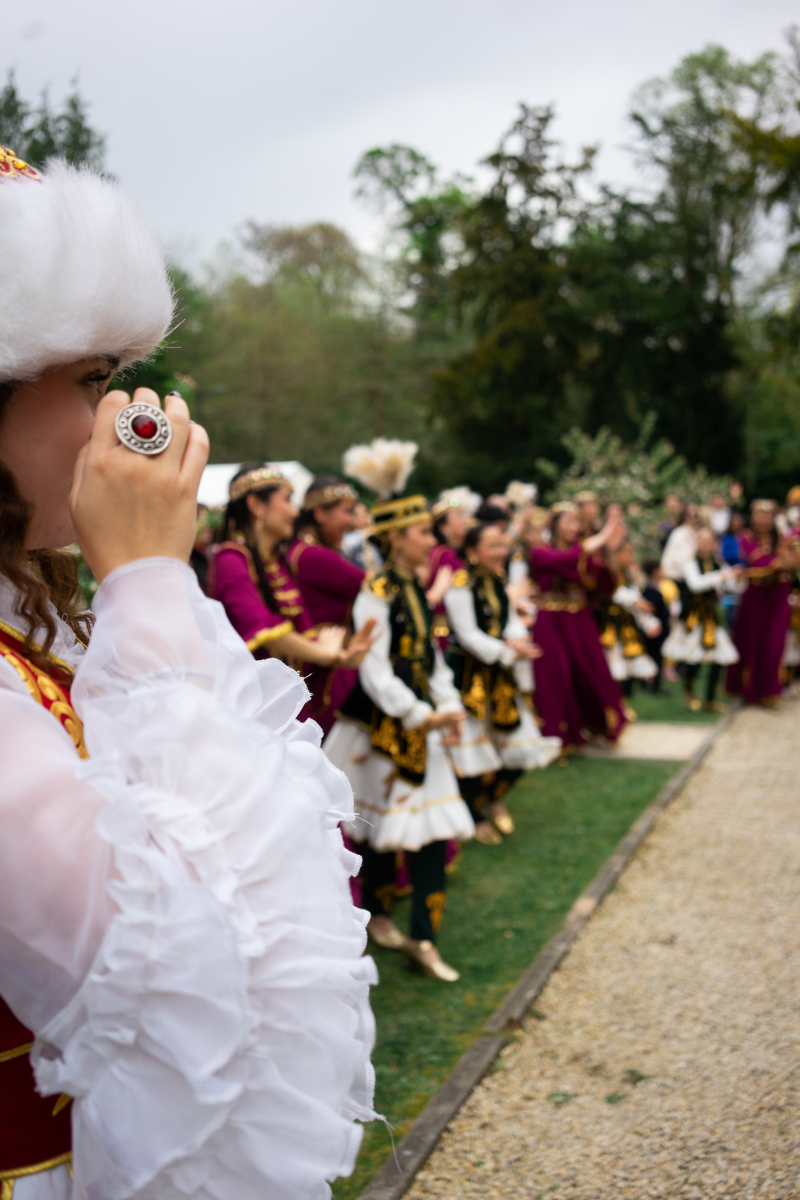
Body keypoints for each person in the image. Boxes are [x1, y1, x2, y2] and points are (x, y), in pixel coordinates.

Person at [0, 149, 375, 1198]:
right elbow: (178, 979)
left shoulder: (40, 620)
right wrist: (152, 583)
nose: (122, 421)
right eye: (88, 381)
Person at [324, 495, 473, 982]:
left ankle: (421, 937)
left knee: (428, 829)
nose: (432, 541)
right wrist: (418, 713)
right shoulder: (378, 589)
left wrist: (446, 706)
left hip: (419, 723)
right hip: (383, 726)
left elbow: (429, 658)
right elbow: (375, 668)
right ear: (396, 538)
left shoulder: (413, 586)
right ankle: (384, 918)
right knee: (380, 828)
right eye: (423, 533)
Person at [208, 466, 375, 719]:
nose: (295, 512)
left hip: (282, 700)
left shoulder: (276, 562)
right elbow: (261, 627)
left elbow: (303, 631)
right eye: (287, 500)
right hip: (246, 706)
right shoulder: (230, 559)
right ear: (256, 506)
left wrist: (342, 657)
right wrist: (324, 653)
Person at [444, 523, 561, 844]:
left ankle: (490, 799)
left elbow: (508, 620)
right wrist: (506, 651)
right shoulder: (460, 585)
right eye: (492, 546)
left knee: (522, 739)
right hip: (469, 676)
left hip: (500, 672)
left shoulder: (497, 579)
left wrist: (518, 641)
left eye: (502, 545)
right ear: (471, 552)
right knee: (473, 746)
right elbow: (466, 635)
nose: (500, 552)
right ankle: (474, 814)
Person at [528, 503, 628, 752]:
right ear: (555, 524)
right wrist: (600, 539)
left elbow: (606, 585)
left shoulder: (585, 553)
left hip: (579, 619)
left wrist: (610, 551)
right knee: (555, 673)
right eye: (569, 521)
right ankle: (559, 736)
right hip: (550, 620)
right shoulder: (541, 552)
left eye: (576, 522)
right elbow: (562, 561)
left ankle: (598, 725)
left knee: (592, 669)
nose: (575, 527)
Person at [285, 474, 366, 734]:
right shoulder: (312, 555)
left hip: (327, 661)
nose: (352, 521)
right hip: (327, 668)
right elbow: (374, 586)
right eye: (346, 512)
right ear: (320, 513)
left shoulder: (305, 550)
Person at [727, 500, 799, 706]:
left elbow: (792, 563)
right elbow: (761, 562)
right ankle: (749, 690)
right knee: (752, 641)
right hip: (756, 596)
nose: (763, 519)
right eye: (759, 514)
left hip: (777, 596)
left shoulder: (783, 538)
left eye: (767, 514)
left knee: (774, 643)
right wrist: (781, 561)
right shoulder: (747, 537)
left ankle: (770, 691)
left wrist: (787, 559)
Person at [661, 527, 740, 711]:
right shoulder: (690, 562)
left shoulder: (718, 563)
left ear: (715, 544)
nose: (705, 544)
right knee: (693, 657)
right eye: (701, 540)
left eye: (708, 540)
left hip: (711, 617)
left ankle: (711, 699)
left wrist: (735, 578)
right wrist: (721, 576)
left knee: (717, 659)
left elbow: (732, 586)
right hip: (694, 616)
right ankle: (689, 693)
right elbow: (696, 584)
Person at [597, 541, 659, 705]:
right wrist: (636, 601)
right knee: (613, 668)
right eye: (626, 552)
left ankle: (623, 704)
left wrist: (648, 622)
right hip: (610, 627)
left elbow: (635, 598)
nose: (629, 556)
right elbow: (615, 593)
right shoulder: (607, 573)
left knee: (629, 668)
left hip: (627, 627)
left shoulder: (628, 574)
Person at [426, 488, 474, 651]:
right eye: (459, 516)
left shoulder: (443, 553)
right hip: (447, 635)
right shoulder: (447, 556)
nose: (465, 520)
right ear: (443, 527)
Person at [641, 559, 671, 694]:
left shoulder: (656, 587)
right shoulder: (649, 590)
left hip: (660, 628)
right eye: (660, 569)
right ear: (654, 572)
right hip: (655, 630)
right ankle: (654, 685)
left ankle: (651, 684)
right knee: (655, 656)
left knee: (657, 656)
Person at [661, 502, 701, 583]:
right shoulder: (679, 534)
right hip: (677, 578)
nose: (695, 519)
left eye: (696, 516)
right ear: (685, 517)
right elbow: (684, 559)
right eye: (692, 516)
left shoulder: (697, 532)